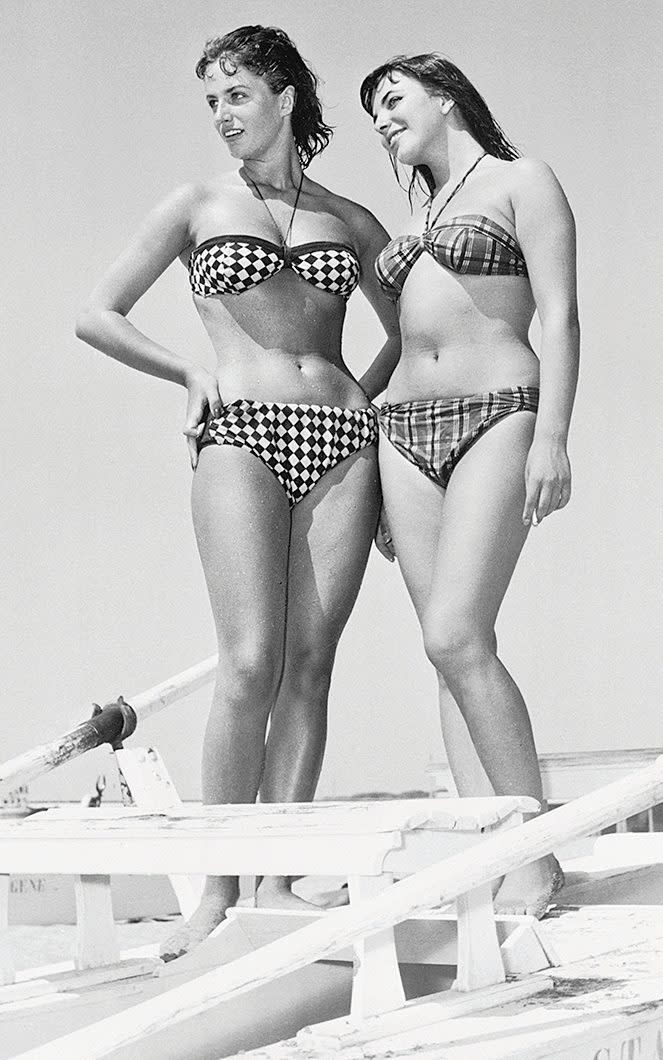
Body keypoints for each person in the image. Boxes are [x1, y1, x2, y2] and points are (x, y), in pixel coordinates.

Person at [76, 24, 399, 959]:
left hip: (343, 440)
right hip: (241, 433)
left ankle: (276, 879)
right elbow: (96, 313)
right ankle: (215, 889)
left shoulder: (352, 218)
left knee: (311, 667)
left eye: (236, 96)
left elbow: (412, 332)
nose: (221, 116)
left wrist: (367, 407)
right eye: (210, 101)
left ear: (284, 97)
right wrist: (186, 373)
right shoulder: (195, 202)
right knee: (249, 662)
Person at [360, 53, 579, 916]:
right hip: (401, 432)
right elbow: (397, 339)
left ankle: (536, 854)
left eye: (393, 99)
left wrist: (552, 437)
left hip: (500, 412)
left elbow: (559, 313)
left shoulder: (523, 180)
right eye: (372, 111)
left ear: (444, 96)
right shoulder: (415, 212)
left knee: (456, 635)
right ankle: (486, 853)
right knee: (444, 655)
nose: (381, 118)